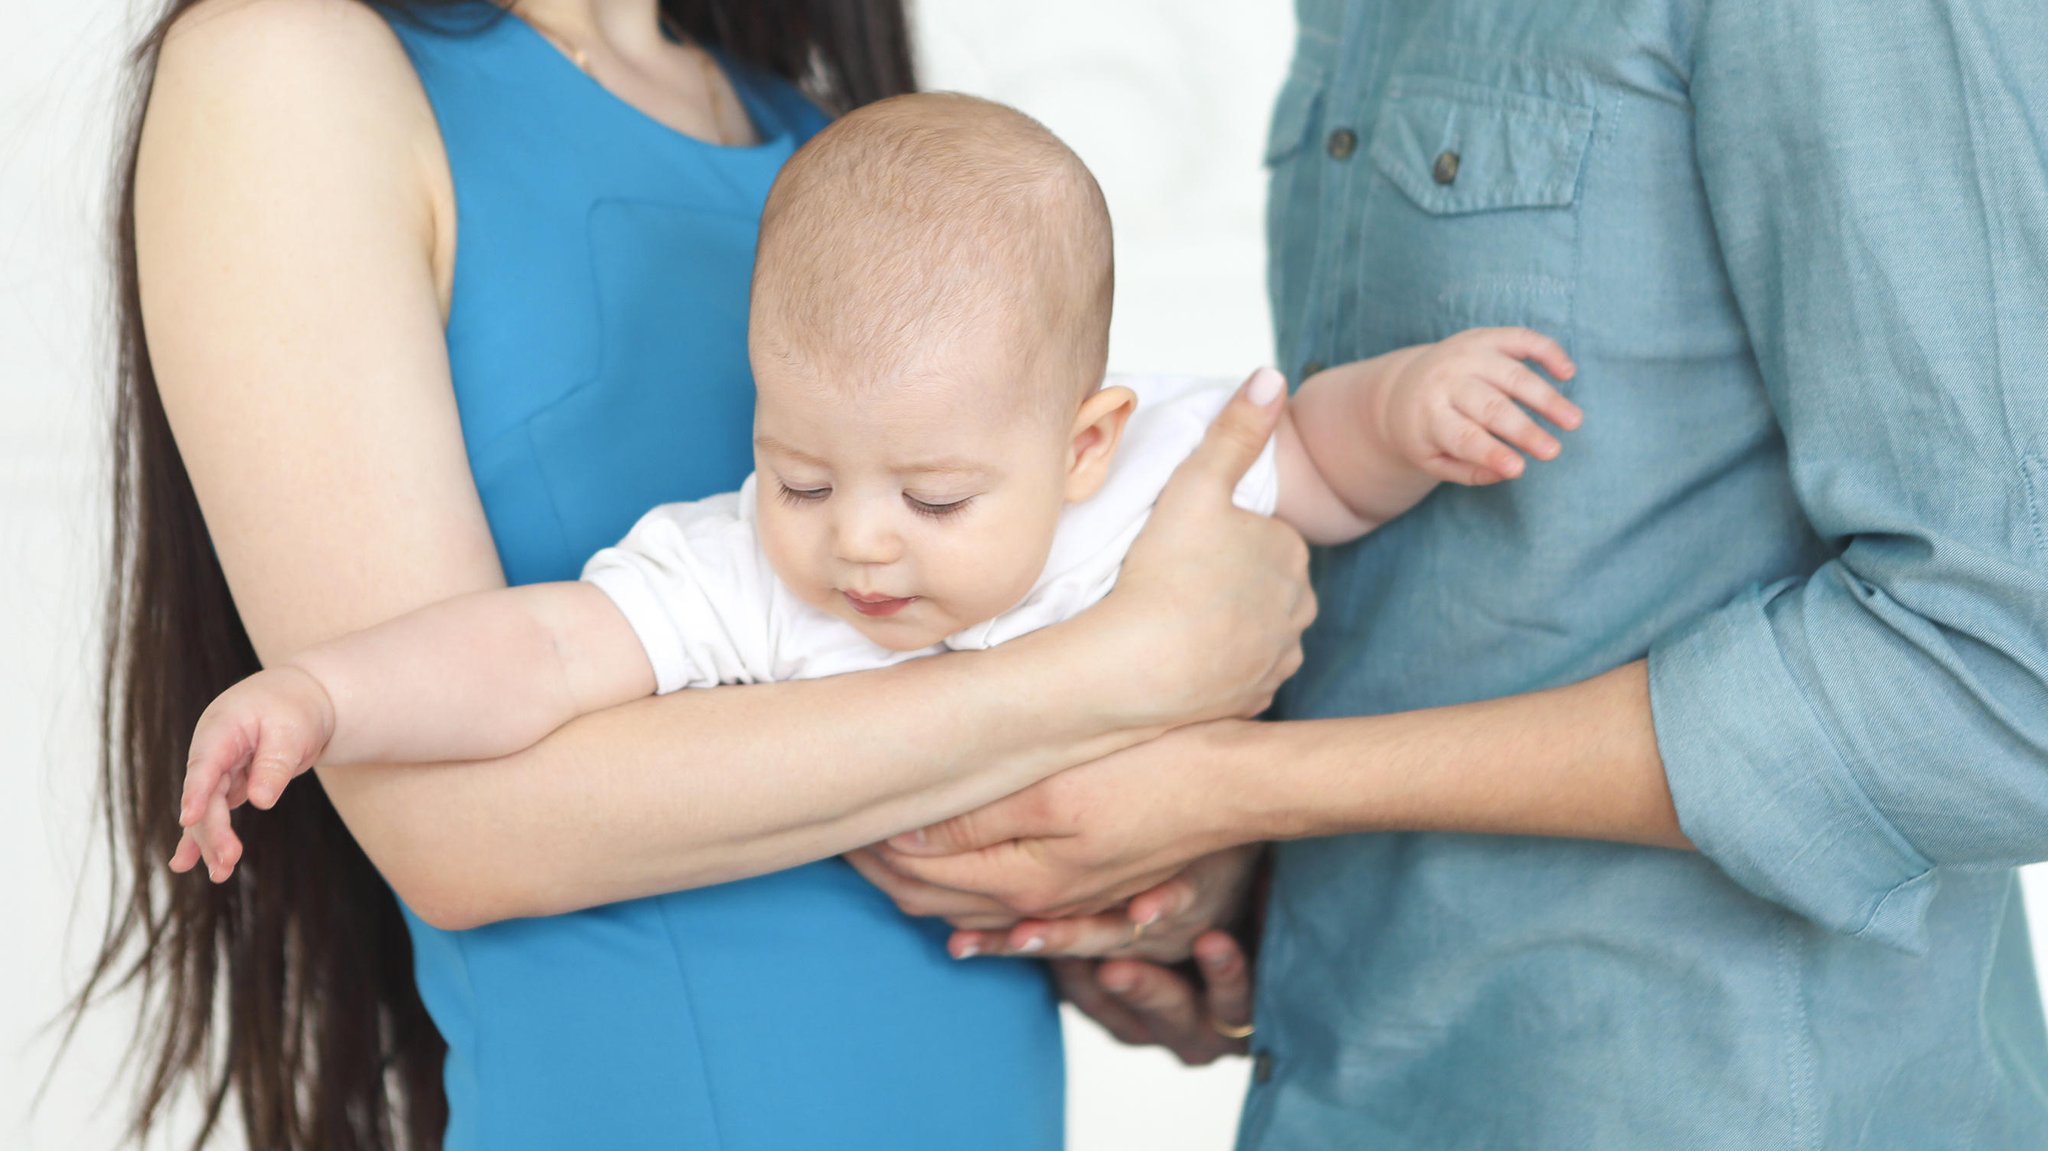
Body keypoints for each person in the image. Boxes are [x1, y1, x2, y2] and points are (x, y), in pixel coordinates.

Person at [82, 3, 1320, 1149]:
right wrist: (1113, 676)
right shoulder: (289, 57)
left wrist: (1154, 888)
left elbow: (941, 710)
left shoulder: (824, 143)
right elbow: (456, 829)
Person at [858, 2, 2048, 1147]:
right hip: (1352, 1067)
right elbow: (1461, 585)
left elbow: (2003, 682)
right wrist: (1233, 877)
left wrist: (1237, 785)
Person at [167, 93, 1582, 882]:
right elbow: (537, 649)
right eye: (798, 472)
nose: (856, 540)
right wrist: (327, 693)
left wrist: (1416, 401)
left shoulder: (1149, 477)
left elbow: (1321, 453)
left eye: (939, 498)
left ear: (1084, 443)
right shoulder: (740, 572)